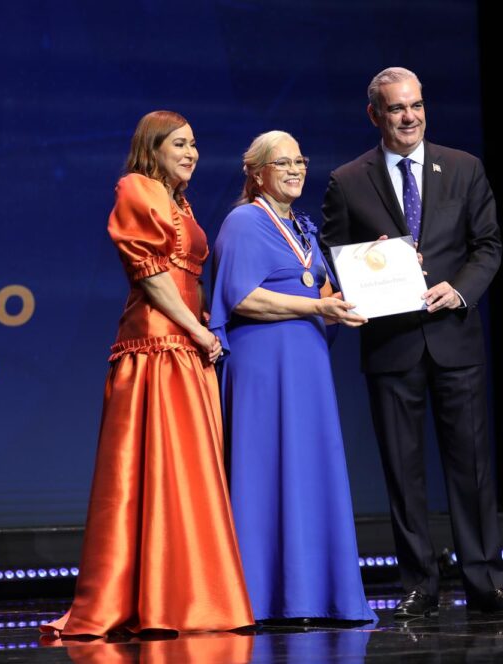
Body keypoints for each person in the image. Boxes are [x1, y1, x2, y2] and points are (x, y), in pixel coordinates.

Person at [321, 68, 503, 617]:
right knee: (402, 469)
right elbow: (333, 258)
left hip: (454, 340)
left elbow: (487, 245)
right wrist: (374, 265)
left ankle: (485, 582)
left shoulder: (464, 168)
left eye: (415, 106)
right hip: (391, 349)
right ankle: (419, 584)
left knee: (472, 467)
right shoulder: (348, 180)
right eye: (395, 109)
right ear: (375, 115)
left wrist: (459, 291)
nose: (409, 116)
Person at [41, 111, 253, 636]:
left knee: (188, 476)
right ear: (151, 148)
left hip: (186, 346)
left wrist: (203, 327)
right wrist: (198, 330)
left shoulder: (180, 202)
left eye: (195, 144)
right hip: (157, 346)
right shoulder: (137, 189)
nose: (191, 153)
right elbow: (154, 279)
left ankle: (188, 597)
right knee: (154, 473)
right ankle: (153, 599)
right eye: (179, 144)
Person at [209, 130, 376, 624]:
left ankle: (317, 596)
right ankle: (260, 597)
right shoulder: (243, 222)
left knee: (308, 471)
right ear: (256, 172)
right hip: (263, 367)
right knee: (264, 474)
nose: (296, 169)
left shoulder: (303, 227)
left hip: (307, 368)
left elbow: (326, 294)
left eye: (300, 160)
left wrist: (380, 269)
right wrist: (315, 305)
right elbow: (241, 298)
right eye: (283, 162)